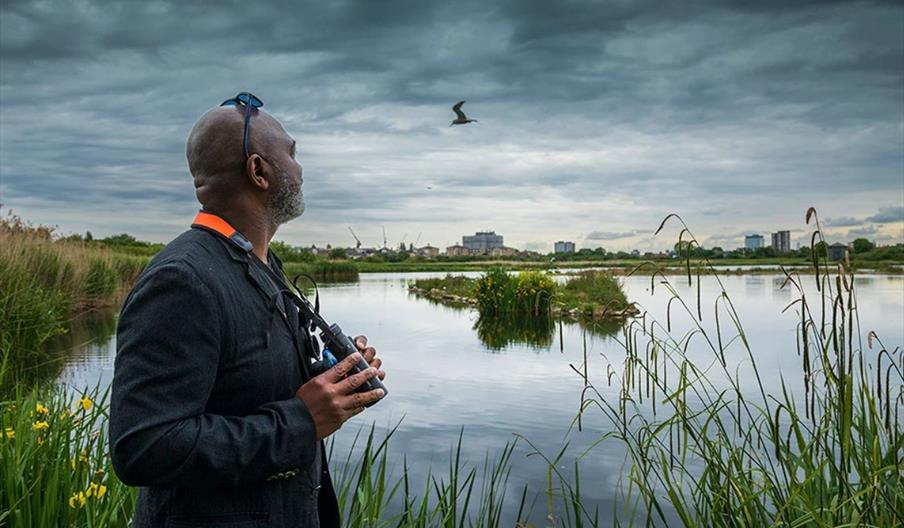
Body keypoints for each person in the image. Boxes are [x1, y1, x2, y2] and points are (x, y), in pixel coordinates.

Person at [109, 92, 385, 527]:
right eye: (291, 153)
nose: (300, 167)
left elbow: (245, 385)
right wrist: (301, 420)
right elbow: (144, 446)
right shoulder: (183, 280)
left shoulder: (260, 263)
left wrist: (333, 385)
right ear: (259, 171)